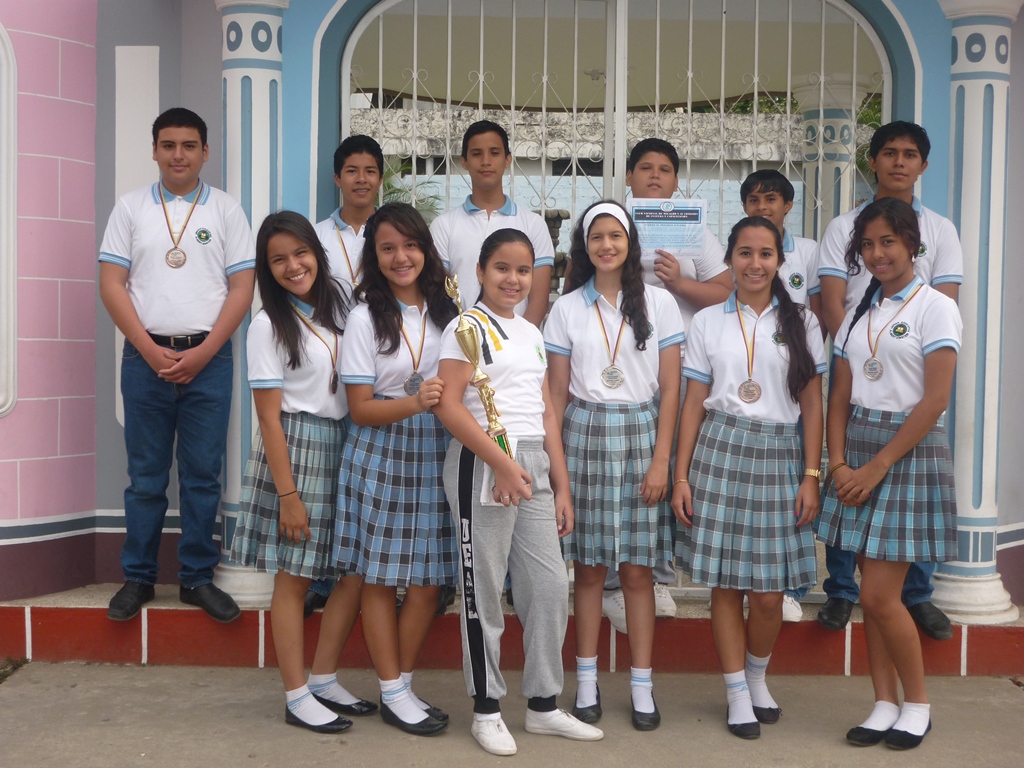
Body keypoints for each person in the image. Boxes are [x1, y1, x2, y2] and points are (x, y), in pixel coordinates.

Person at [434, 228, 604, 756]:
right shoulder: (465, 327)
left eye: (523, 270)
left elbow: (546, 410)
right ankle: (486, 709)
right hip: (483, 461)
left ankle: (543, 705)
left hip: (532, 463)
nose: (513, 279)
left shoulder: (531, 331)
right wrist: (502, 465)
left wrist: (560, 485)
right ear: (481, 272)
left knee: (548, 586)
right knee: (483, 590)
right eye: (502, 268)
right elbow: (449, 406)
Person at [672, 217, 827, 740]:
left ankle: (757, 676)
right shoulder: (707, 321)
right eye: (744, 252)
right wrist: (681, 476)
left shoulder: (802, 321)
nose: (754, 263)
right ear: (730, 259)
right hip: (720, 449)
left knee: (768, 592)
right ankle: (736, 690)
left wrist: (811, 474)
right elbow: (694, 402)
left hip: (781, 455)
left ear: (780, 260)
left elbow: (812, 404)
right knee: (726, 582)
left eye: (765, 254)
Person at [99, 108, 253, 623]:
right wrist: (147, 347)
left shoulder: (226, 210)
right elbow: (111, 284)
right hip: (145, 359)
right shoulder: (130, 208)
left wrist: (205, 351)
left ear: (205, 151)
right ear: (155, 150)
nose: (179, 155)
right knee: (145, 476)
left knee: (202, 475)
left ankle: (196, 579)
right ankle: (139, 577)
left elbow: (242, 288)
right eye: (168, 145)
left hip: (210, 360)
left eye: (189, 145)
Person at [817, 198, 960, 750]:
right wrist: (837, 462)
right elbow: (840, 394)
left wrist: (876, 467)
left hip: (906, 452)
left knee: (879, 596)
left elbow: (936, 400)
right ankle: (883, 703)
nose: (878, 254)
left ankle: (917, 705)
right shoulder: (860, 311)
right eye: (868, 245)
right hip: (857, 449)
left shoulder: (935, 308)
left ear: (913, 247)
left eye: (888, 243)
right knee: (874, 596)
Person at [228, 212, 375, 734]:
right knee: (294, 576)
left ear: (317, 251)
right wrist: (288, 495)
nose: (293, 266)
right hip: (298, 445)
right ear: (267, 268)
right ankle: (295, 695)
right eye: (278, 259)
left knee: (354, 570)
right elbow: (268, 417)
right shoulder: (267, 324)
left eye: (300, 253)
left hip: (346, 440)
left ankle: (324, 678)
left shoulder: (343, 302)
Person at [816, 121, 962, 640]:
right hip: (859, 363)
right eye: (889, 152)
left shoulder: (941, 230)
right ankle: (841, 590)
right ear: (872, 161)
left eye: (910, 154)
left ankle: (916, 595)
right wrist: (858, 351)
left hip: (909, 367)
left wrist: (889, 348)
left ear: (923, 165)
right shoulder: (843, 226)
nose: (899, 162)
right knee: (848, 487)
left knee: (906, 514)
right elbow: (833, 300)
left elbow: (943, 301)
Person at [546, 202, 683, 731]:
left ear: (630, 243)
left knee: (637, 570)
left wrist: (661, 461)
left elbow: (670, 387)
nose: (606, 245)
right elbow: (557, 393)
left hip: (641, 436)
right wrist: (557, 473)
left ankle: (642, 685)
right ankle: (586, 682)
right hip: (583, 434)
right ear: (584, 246)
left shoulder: (659, 302)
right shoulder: (566, 308)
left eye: (615, 236)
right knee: (587, 569)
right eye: (596, 237)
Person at [333, 203, 458, 737]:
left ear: (425, 249)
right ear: (374, 256)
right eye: (387, 248)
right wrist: (416, 401)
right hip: (380, 447)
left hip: (437, 446)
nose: (400, 257)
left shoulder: (450, 310)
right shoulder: (364, 317)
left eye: (410, 245)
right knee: (380, 578)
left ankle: (400, 686)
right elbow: (360, 408)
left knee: (428, 580)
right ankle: (392, 690)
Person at [599, 138, 735, 629]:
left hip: (676, 371)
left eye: (664, 169)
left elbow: (726, 290)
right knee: (613, 477)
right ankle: (611, 582)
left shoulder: (694, 230)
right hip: (617, 374)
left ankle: (655, 576)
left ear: (677, 181)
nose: (654, 175)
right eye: (644, 167)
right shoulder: (612, 224)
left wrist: (679, 283)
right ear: (629, 177)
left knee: (663, 472)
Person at [305, 135, 386, 617]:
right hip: (330, 366)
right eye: (352, 170)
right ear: (337, 178)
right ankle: (324, 576)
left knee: (372, 482)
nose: (361, 179)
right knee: (331, 478)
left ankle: (380, 573)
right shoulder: (315, 238)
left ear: (380, 178)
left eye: (370, 170)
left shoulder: (392, 234)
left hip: (384, 365)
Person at [740, 168, 824, 623]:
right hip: (753, 381)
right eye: (754, 199)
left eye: (771, 198)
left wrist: (805, 360)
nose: (763, 206)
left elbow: (817, 309)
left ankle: (791, 587)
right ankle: (750, 581)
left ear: (788, 205)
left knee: (794, 490)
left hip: (793, 371)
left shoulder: (806, 251)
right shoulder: (741, 252)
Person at [430, 120, 554, 327]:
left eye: (494, 153)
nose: (486, 161)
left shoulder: (534, 225)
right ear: (464, 161)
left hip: (517, 344)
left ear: (507, 160)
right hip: (460, 340)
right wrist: (462, 339)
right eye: (476, 154)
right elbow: (438, 297)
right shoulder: (443, 226)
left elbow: (538, 302)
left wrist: (514, 340)